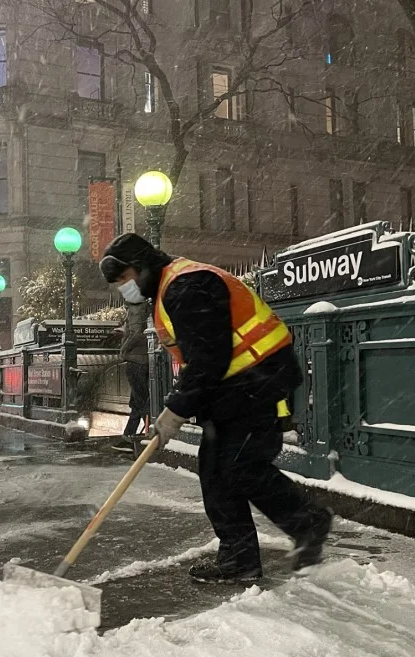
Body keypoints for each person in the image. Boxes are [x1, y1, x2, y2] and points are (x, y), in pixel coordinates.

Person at [99, 233, 332, 584]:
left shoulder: (186, 286)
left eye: (125, 278)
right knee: (216, 470)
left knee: (239, 466)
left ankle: (304, 524)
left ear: (142, 266)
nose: (125, 288)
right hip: (237, 384)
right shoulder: (170, 287)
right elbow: (204, 360)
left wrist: (175, 410)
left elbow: (209, 357)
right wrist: (183, 405)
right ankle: (243, 557)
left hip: (257, 378)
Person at [118, 299, 150, 447]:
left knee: (140, 400)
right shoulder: (142, 307)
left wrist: (124, 349)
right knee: (138, 400)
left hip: (136, 360)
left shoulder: (136, 309)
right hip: (142, 359)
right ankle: (129, 434)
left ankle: (151, 433)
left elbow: (136, 333)